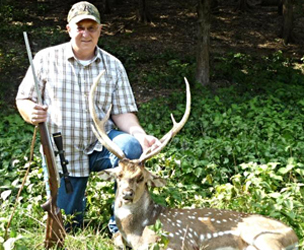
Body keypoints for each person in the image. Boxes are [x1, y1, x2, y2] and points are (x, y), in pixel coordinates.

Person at [16, 1, 159, 234]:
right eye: (79, 27)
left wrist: (140, 135)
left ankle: (121, 230)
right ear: (69, 29)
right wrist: (29, 112)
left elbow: (123, 112)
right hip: (64, 151)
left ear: (100, 30)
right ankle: (76, 224)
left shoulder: (114, 66)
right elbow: (23, 99)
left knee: (131, 149)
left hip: (102, 146)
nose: (85, 33)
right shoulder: (45, 59)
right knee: (68, 224)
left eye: (91, 27)